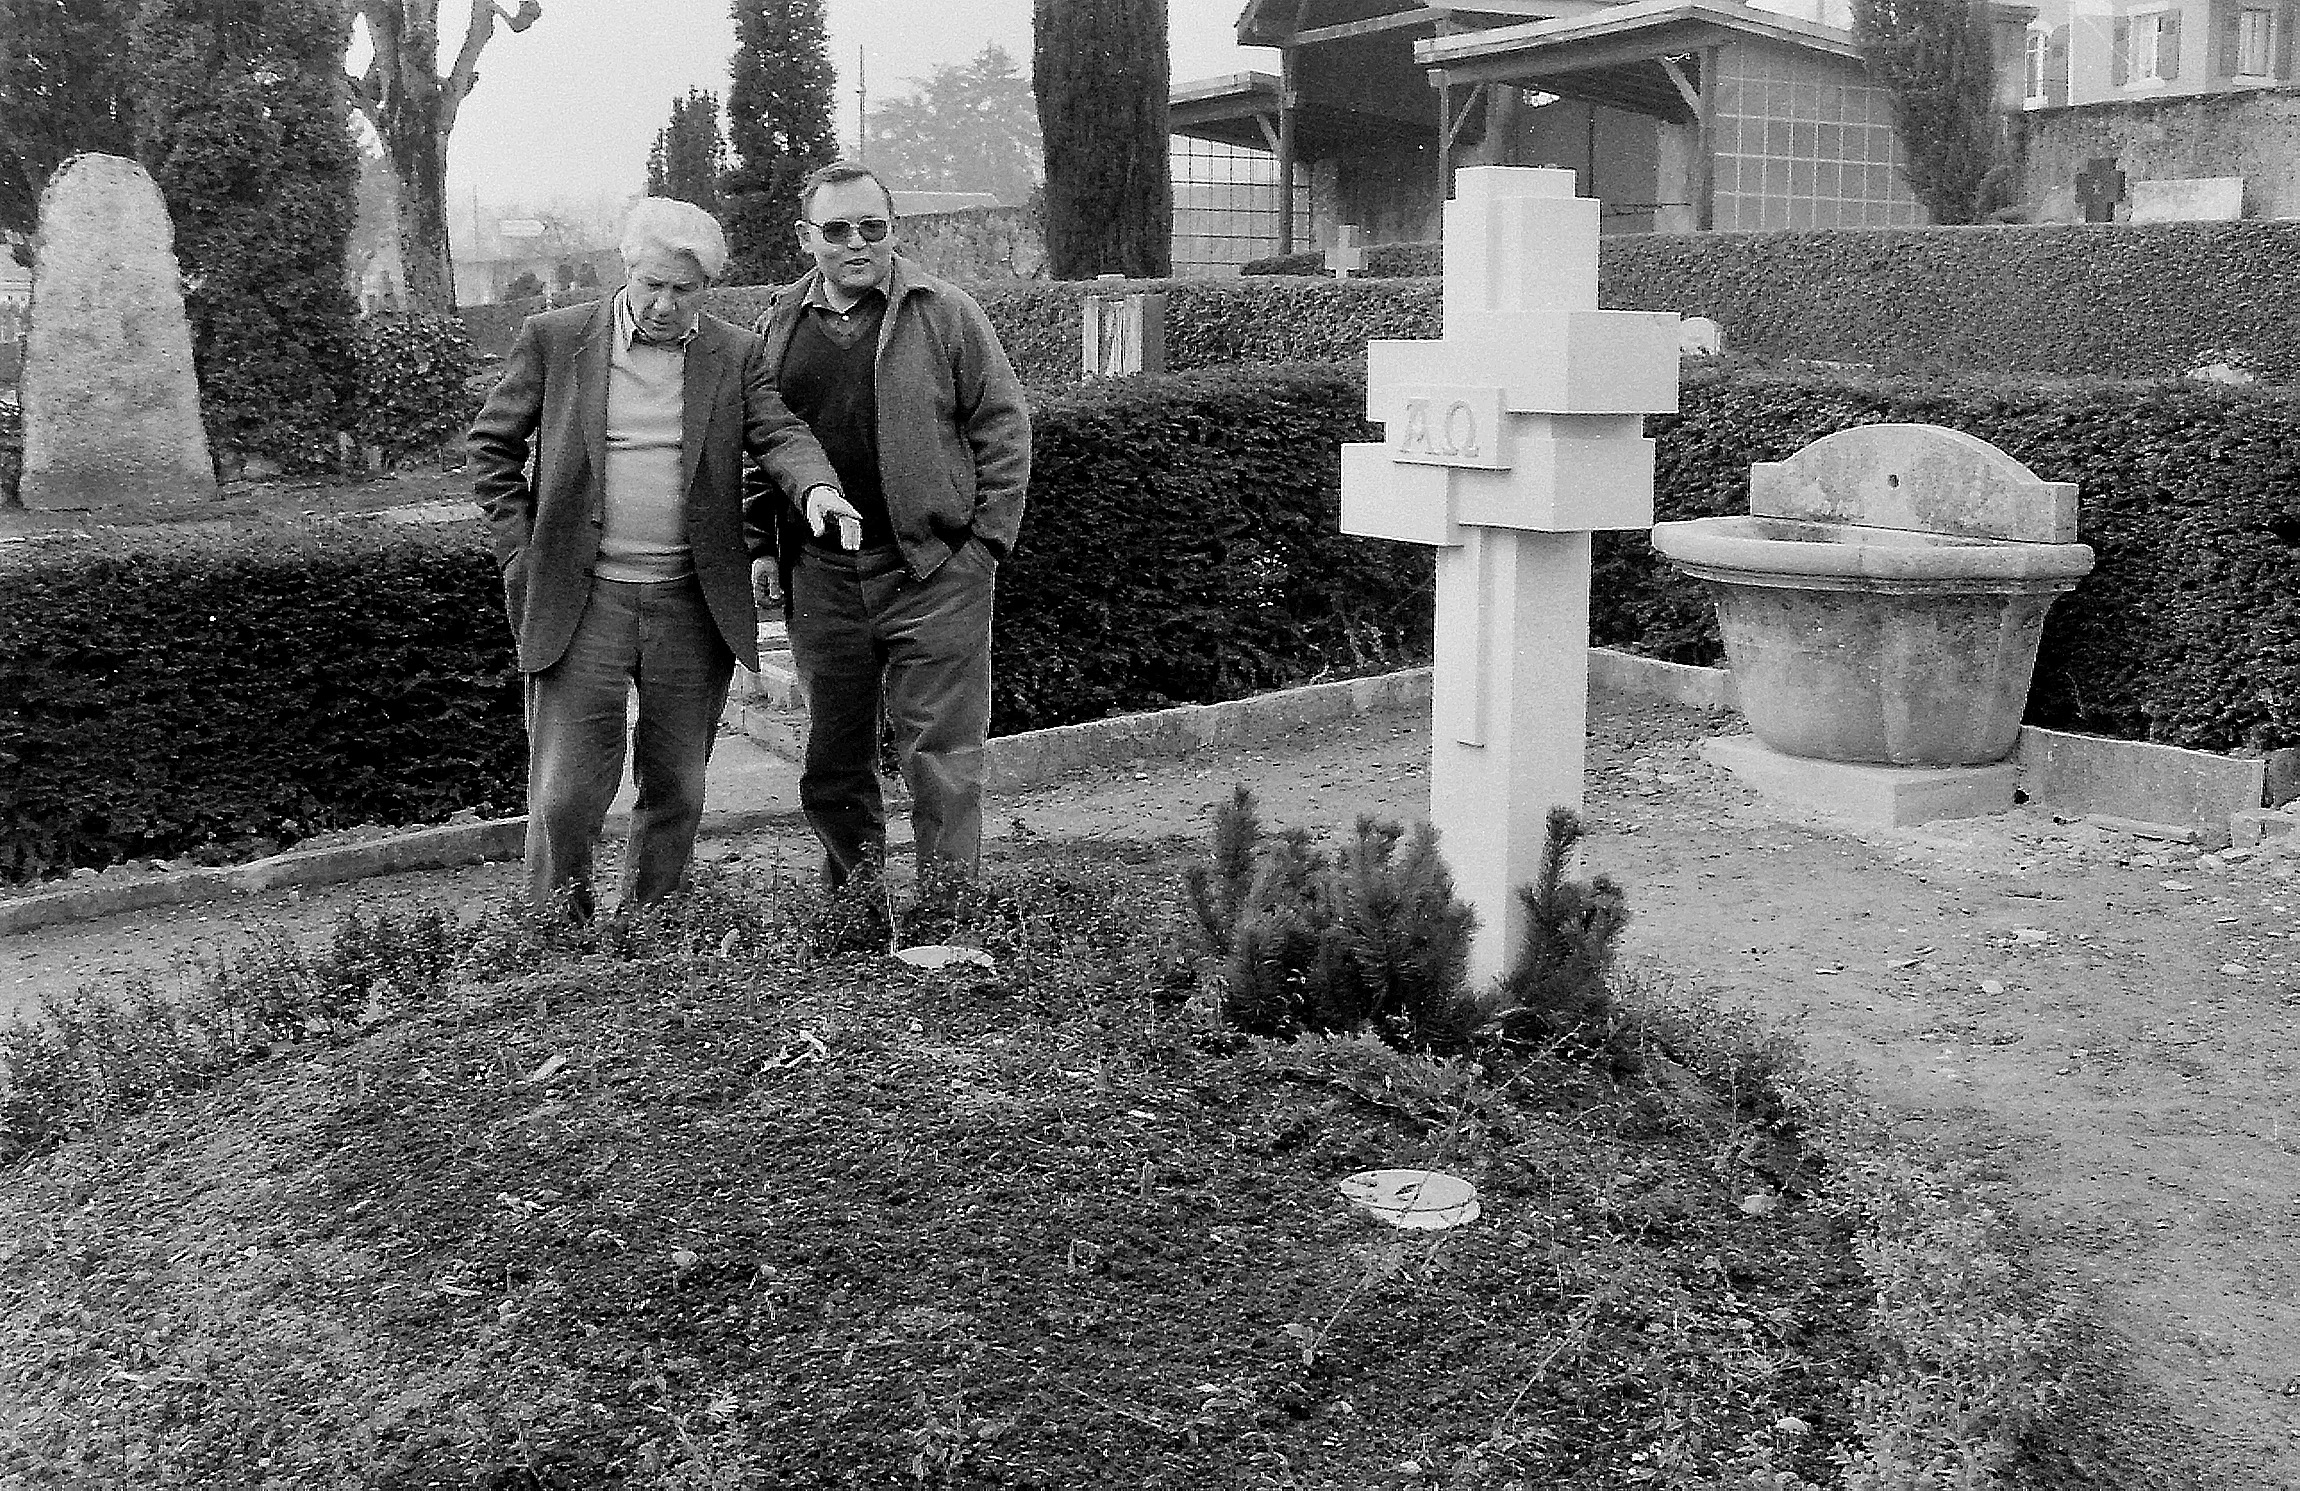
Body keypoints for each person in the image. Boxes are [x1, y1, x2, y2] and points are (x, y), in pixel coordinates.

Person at [470, 197, 844, 920]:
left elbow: (780, 434)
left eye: (686, 289)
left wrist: (818, 489)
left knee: (679, 787)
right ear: (626, 271)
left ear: (705, 288)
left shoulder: (733, 353)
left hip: (688, 602)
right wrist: (522, 551)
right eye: (654, 285)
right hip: (585, 601)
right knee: (565, 792)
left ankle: (652, 926)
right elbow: (492, 447)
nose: (667, 304)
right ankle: (560, 935)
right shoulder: (556, 339)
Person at [754, 161, 1030, 889]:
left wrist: (983, 547)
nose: (856, 243)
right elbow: (760, 438)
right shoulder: (779, 323)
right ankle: (854, 911)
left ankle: (945, 915)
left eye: (871, 227)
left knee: (941, 759)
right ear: (805, 237)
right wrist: (762, 542)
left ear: (893, 230)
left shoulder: (946, 313)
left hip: (934, 573)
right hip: (824, 579)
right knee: (834, 758)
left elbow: (1003, 425)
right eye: (837, 229)